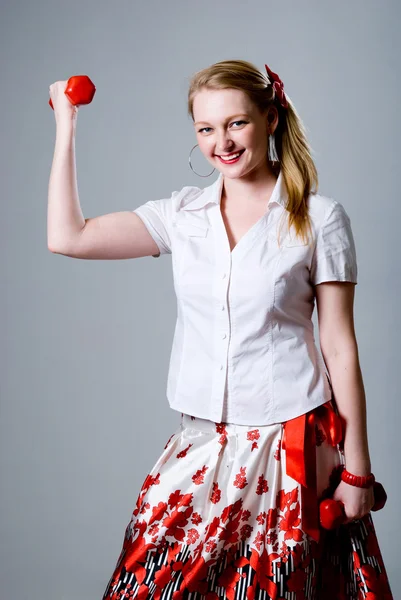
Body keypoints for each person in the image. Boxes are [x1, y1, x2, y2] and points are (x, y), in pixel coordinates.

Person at [48, 59, 393, 599]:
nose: (222, 142)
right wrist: (66, 123)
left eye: (236, 123)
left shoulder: (320, 218)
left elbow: (339, 348)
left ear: (270, 118)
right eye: (207, 128)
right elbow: (68, 237)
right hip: (201, 442)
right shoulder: (182, 215)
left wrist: (357, 472)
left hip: (290, 451)